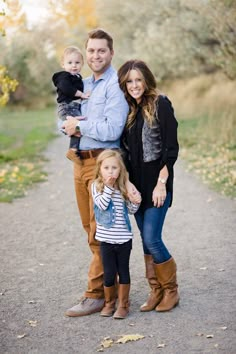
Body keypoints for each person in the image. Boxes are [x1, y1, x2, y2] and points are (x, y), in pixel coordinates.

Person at [62, 29, 138, 317]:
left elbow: (111, 130)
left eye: (101, 51)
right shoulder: (82, 83)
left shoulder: (113, 87)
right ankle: (112, 286)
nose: (95, 55)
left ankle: (95, 295)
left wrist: (79, 127)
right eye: (91, 51)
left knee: (100, 231)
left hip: (102, 164)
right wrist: (68, 125)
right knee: (88, 229)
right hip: (79, 160)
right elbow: (67, 115)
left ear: (111, 53)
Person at [118, 59, 180, 312]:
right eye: (129, 81)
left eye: (138, 80)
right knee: (145, 239)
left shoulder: (160, 104)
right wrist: (128, 184)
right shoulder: (130, 110)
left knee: (153, 238)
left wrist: (161, 184)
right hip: (136, 186)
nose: (134, 85)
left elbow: (171, 149)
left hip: (157, 184)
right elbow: (125, 151)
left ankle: (171, 291)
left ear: (146, 80)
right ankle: (155, 291)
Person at [92, 150, 140, 319]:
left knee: (123, 271)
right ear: (100, 169)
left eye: (114, 167)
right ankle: (109, 303)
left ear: (120, 170)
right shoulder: (96, 186)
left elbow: (130, 210)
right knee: (109, 272)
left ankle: (124, 305)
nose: (110, 171)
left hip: (124, 239)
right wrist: (109, 187)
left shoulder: (122, 188)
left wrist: (136, 201)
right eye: (106, 167)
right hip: (106, 240)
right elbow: (103, 205)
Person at [52, 46, 90, 162]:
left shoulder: (77, 77)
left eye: (77, 62)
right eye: (70, 62)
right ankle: (73, 150)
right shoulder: (63, 77)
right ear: (63, 64)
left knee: (79, 125)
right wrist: (82, 94)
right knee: (77, 126)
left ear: (82, 64)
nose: (74, 65)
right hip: (67, 107)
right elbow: (66, 88)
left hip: (72, 107)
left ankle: (74, 149)